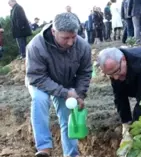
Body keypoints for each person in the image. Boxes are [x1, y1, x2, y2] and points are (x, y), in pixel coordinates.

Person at [25, 12, 92, 157]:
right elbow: (36, 77)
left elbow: (85, 73)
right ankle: (44, 149)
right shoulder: (36, 46)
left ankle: (71, 154)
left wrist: (79, 94)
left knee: (67, 115)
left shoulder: (83, 46)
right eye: (65, 38)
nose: (70, 42)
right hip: (40, 81)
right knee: (40, 100)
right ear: (54, 31)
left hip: (66, 83)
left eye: (73, 37)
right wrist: (65, 93)